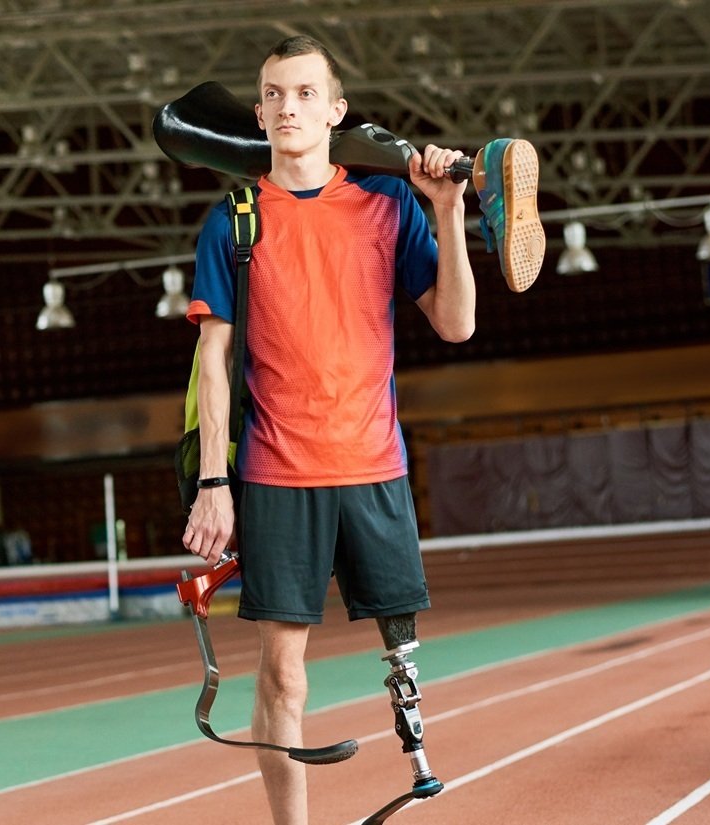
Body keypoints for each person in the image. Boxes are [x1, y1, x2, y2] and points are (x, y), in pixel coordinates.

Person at [180, 35, 490, 824]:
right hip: (278, 474)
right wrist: (214, 482)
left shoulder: (387, 207)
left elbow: (455, 324)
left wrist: (447, 211)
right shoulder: (233, 222)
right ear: (259, 112)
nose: (290, 106)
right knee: (283, 677)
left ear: (336, 111)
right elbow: (212, 363)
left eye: (306, 93)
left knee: (403, 658)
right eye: (276, 94)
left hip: (374, 466)